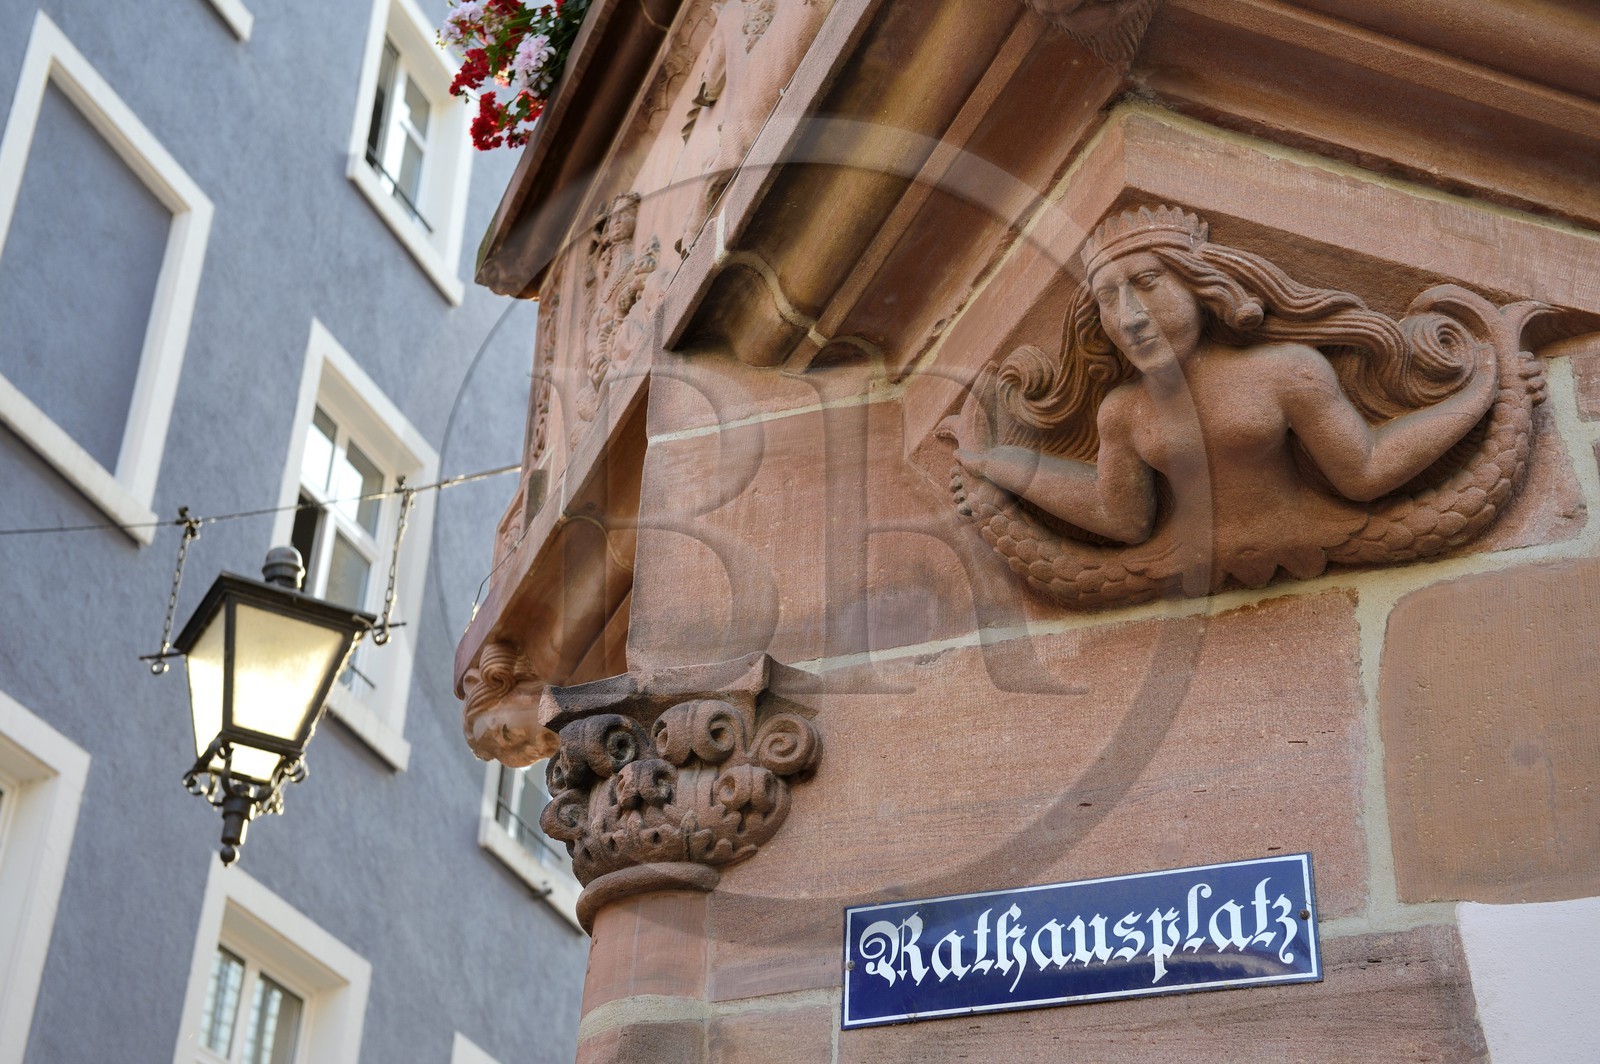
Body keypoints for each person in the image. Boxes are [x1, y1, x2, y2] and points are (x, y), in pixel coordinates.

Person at [947, 206, 1505, 591]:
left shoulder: (1284, 370)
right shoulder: (1124, 409)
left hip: (1322, 534)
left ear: (1203, 286)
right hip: (1179, 562)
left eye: (1146, 284)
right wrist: (999, 465)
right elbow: (1120, 517)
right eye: (1109, 300)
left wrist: (1484, 394)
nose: (1130, 318)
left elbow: (1365, 469)